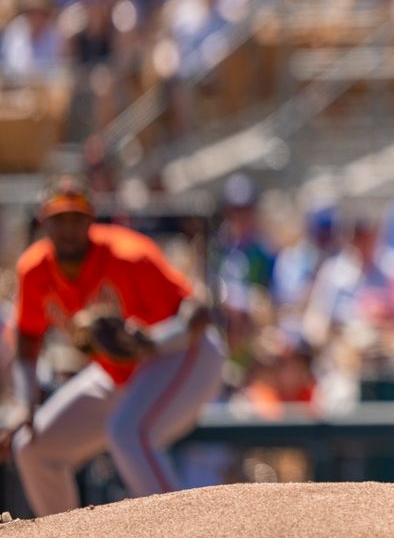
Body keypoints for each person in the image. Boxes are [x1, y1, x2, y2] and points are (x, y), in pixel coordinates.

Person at [0, 177, 225, 516]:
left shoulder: (128, 255)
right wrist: (25, 403)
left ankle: (182, 528)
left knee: (127, 433)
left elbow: (198, 314)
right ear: (44, 223)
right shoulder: (34, 270)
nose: (67, 229)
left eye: (75, 219)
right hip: (119, 373)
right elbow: (28, 339)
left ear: (90, 220)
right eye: (58, 219)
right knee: (33, 449)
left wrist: (153, 340)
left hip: (187, 355)